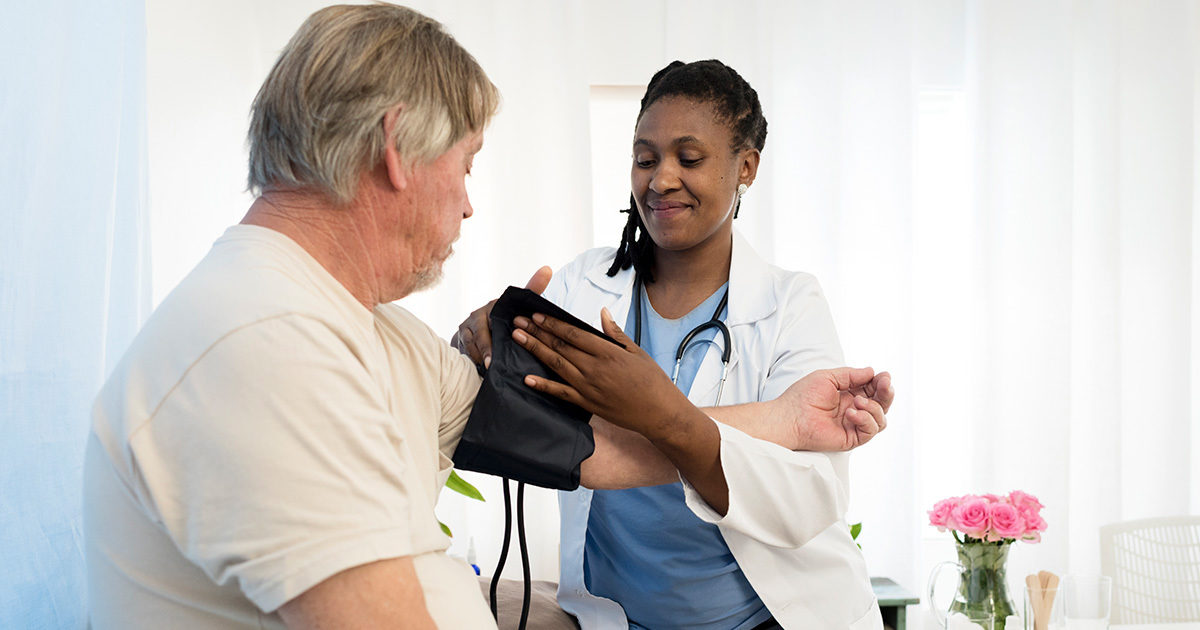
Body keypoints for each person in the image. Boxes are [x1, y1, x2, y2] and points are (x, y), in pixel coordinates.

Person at [83, 5, 885, 629]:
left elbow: (583, 443)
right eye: (465, 165)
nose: (469, 205)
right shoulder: (265, 347)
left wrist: (779, 418)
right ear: (398, 149)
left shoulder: (361, 329)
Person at [455, 60, 890, 629]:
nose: (660, 179)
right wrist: (479, 351)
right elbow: (514, 429)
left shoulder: (790, 305)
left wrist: (662, 414)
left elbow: (808, 498)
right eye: (645, 158)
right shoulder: (580, 288)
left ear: (747, 167)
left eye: (689, 159)